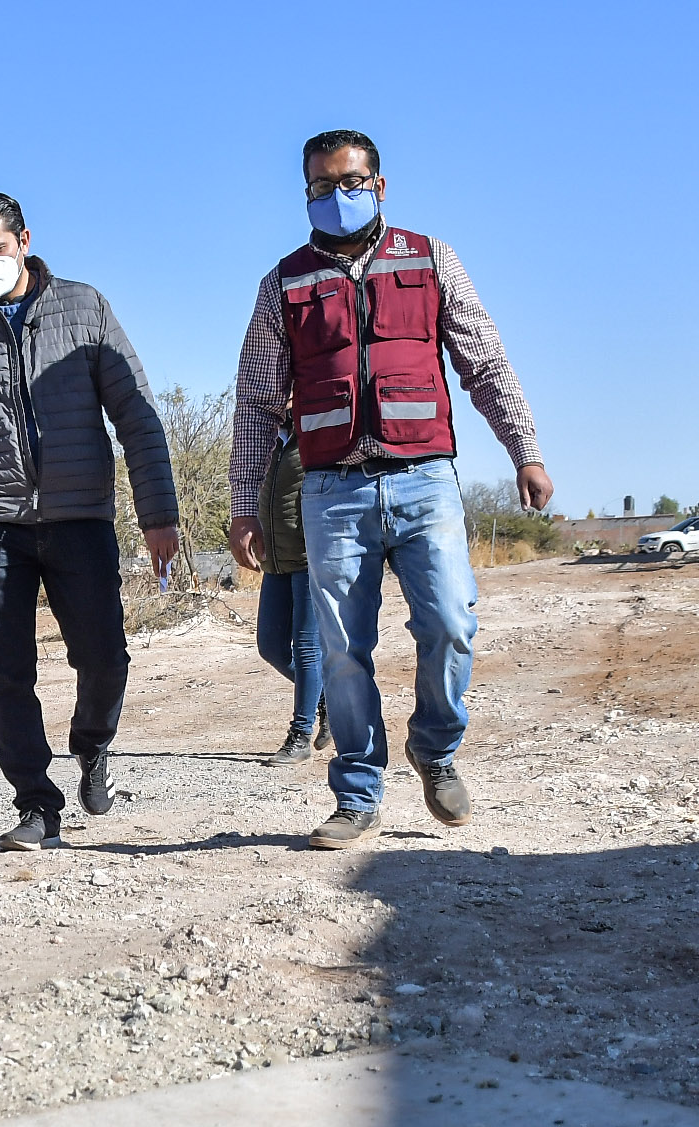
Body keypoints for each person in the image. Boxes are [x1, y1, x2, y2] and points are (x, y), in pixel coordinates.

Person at [226, 130, 552, 851]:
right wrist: (245, 505)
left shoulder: (431, 258)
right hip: (331, 490)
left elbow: (485, 363)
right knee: (343, 650)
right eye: (321, 186)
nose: (336, 196)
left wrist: (524, 451)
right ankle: (357, 793)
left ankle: (435, 748)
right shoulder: (284, 283)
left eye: (350, 182)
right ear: (305, 193)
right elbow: (256, 403)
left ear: (379, 185)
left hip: (424, 479)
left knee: (451, 622)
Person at [0, 191, 179, 852]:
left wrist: (158, 513)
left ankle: (92, 742)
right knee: (7, 672)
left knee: (104, 657)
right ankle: (35, 803)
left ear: (24, 240)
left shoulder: (84, 307)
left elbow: (137, 415)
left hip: (80, 516)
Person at [255, 430, 326, 764]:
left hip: (310, 559)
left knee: (307, 648)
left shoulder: (314, 433)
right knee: (270, 646)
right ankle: (327, 699)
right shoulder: (268, 436)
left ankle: (300, 736)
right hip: (275, 560)